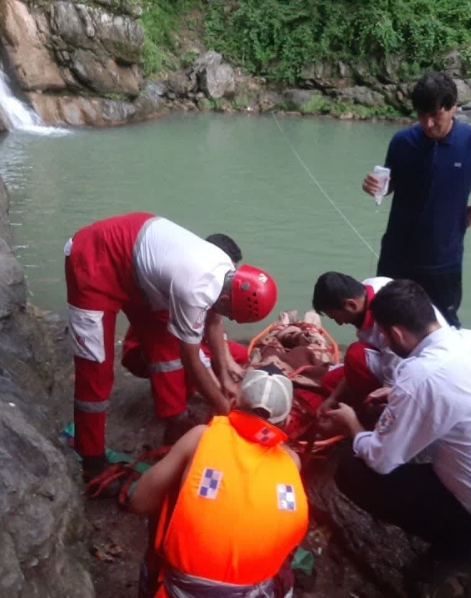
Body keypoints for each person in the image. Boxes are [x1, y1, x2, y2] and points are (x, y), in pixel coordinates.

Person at [324, 280, 471, 556]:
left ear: (396, 333)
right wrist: (397, 393)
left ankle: (457, 542)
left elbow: (380, 461)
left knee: (351, 471)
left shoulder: (418, 376)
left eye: (384, 335)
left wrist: (351, 424)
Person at [64, 213, 278, 482]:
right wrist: (226, 411)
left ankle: (175, 419)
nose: (232, 320)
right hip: (95, 260)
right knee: (95, 367)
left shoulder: (226, 271)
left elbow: (213, 321)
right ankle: (92, 458)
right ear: (226, 296)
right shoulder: (196, 288)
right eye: (234, 314)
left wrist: (224, 375)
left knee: (164, 346)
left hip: (139, 272)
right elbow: (192, 361)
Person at [362, 71, 471, 328]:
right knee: (387, 323)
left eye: (435, 115)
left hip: (442, 260)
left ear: (452, 108)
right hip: (396, 254)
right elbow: (391, 184)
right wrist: (375, 186)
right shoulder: (402, 142)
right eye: (421, 115)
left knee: (444, 328)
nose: (427, 124)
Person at [131, 367, 308, 598]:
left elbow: (139, 502)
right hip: (257, 592)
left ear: (233, 401)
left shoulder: (201, 437)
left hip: (182, 590)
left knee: (174, 494)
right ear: (286, 421)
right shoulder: (291, 463)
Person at [120, 233, 250, 388]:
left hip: (185, 341)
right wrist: (218, 387)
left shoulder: (215, 285)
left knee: (240, 355)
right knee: (192, 366)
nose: (228, 277)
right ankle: (180, 401)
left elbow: (215, 324)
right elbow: (192, 353)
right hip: (148, 347)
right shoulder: (186, 286)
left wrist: (227, 363)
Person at [312, 272, 449, 418]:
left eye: (336, 317)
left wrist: (358, 418)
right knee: (330, 381)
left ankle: (366, 418)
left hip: (413, 373)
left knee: (356, 354)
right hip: (396, 361)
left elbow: (392, 384)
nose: (339, 323)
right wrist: (333, 397)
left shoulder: (389, 330)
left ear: (351, 304)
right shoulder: (371, 287)